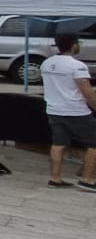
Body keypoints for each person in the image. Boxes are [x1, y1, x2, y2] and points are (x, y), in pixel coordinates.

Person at [43, 33, 96, 190]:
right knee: (94, 144)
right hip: (76, 111)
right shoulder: (77, 66)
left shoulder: (47, 63)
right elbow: (87, 92)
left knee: (58, 143)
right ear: (73, 45)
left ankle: (55, 178)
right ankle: (87, 180)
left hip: (54, 109)